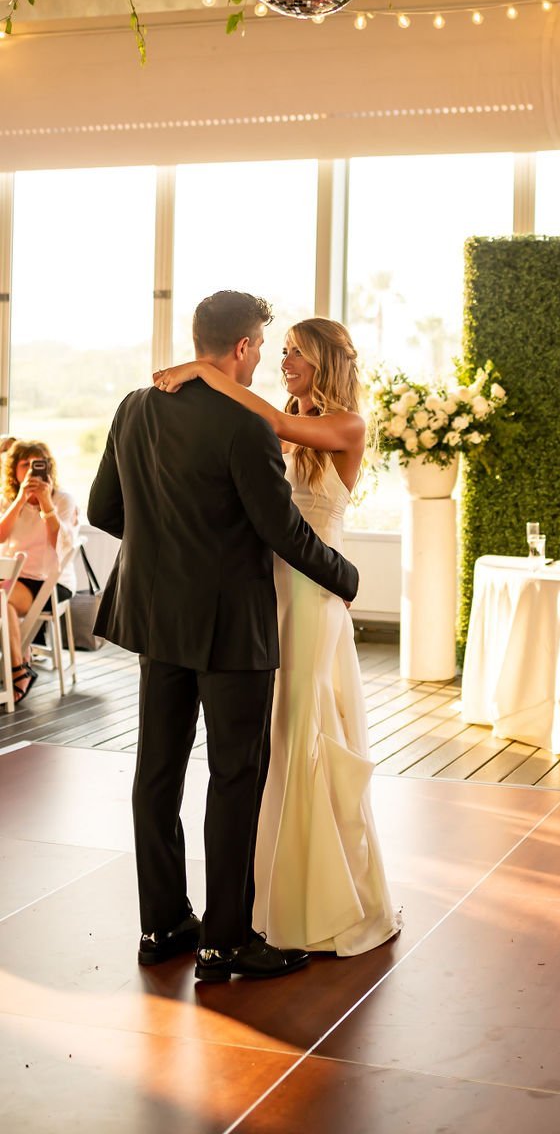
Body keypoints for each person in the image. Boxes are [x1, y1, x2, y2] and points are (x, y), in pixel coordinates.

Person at [89, 291, 359, 985]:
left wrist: (170, 555)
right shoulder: (247, 425)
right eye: (264, 344)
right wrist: (345, 577)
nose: (267, 355)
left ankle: (162, 925)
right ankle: (226, 942)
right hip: (231, 626)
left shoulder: (134, 407)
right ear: (242, 347)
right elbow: (281, 530)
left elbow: (104, 510)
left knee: (157, 770)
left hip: (156, 617)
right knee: (235, 774)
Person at [153, 317, 402, 957]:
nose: (284, 360)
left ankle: (316, 897)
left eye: (296, 353)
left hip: (312, 599)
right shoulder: (267, 421)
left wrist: (204, 371)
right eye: (280, 349)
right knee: (265, 744)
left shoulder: (345, 426)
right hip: (260, 599)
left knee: (302, 731)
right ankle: (258, 898)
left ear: (325, 362)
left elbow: (286, 427)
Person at [0, 439, 79, 703]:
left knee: (2, 600)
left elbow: (61, 542)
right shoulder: (8, 500)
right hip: (12, 578)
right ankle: (19, 664)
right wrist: (21, 499)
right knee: (3, 601)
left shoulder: (62, 499)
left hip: (51, 582)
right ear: (14, 470)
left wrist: (46, 503)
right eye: (25, 465)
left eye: (38, 465)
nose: (32, 471)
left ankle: (16, 670)